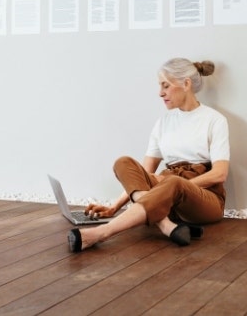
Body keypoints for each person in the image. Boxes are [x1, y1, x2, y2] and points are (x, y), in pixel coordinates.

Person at [67, 57, 230, 252]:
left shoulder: (214, 120)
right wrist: (114, 206)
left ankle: (102, 232)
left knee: (172, 182)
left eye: (166, 86)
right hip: (166, 191)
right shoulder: (163, 122)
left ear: (186, 84)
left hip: (204, 198)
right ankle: (166, 225)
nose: (160, 93)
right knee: (124, 163)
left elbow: (219, 174)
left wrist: (177, 186)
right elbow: (142, 175)